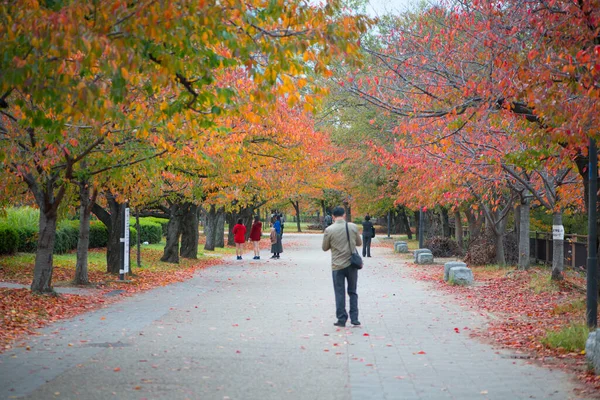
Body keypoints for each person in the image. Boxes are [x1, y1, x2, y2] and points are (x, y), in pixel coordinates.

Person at [322, 206, 362, 327]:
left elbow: (324, 248)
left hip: (337, 265)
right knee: (353, 291)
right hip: (352, 264)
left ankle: (341, 319)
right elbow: (359, 243)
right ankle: (354, 318)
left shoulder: (329, 230)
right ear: (344, 215)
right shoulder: (353, 227)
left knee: (339, 292)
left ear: (333, 217)